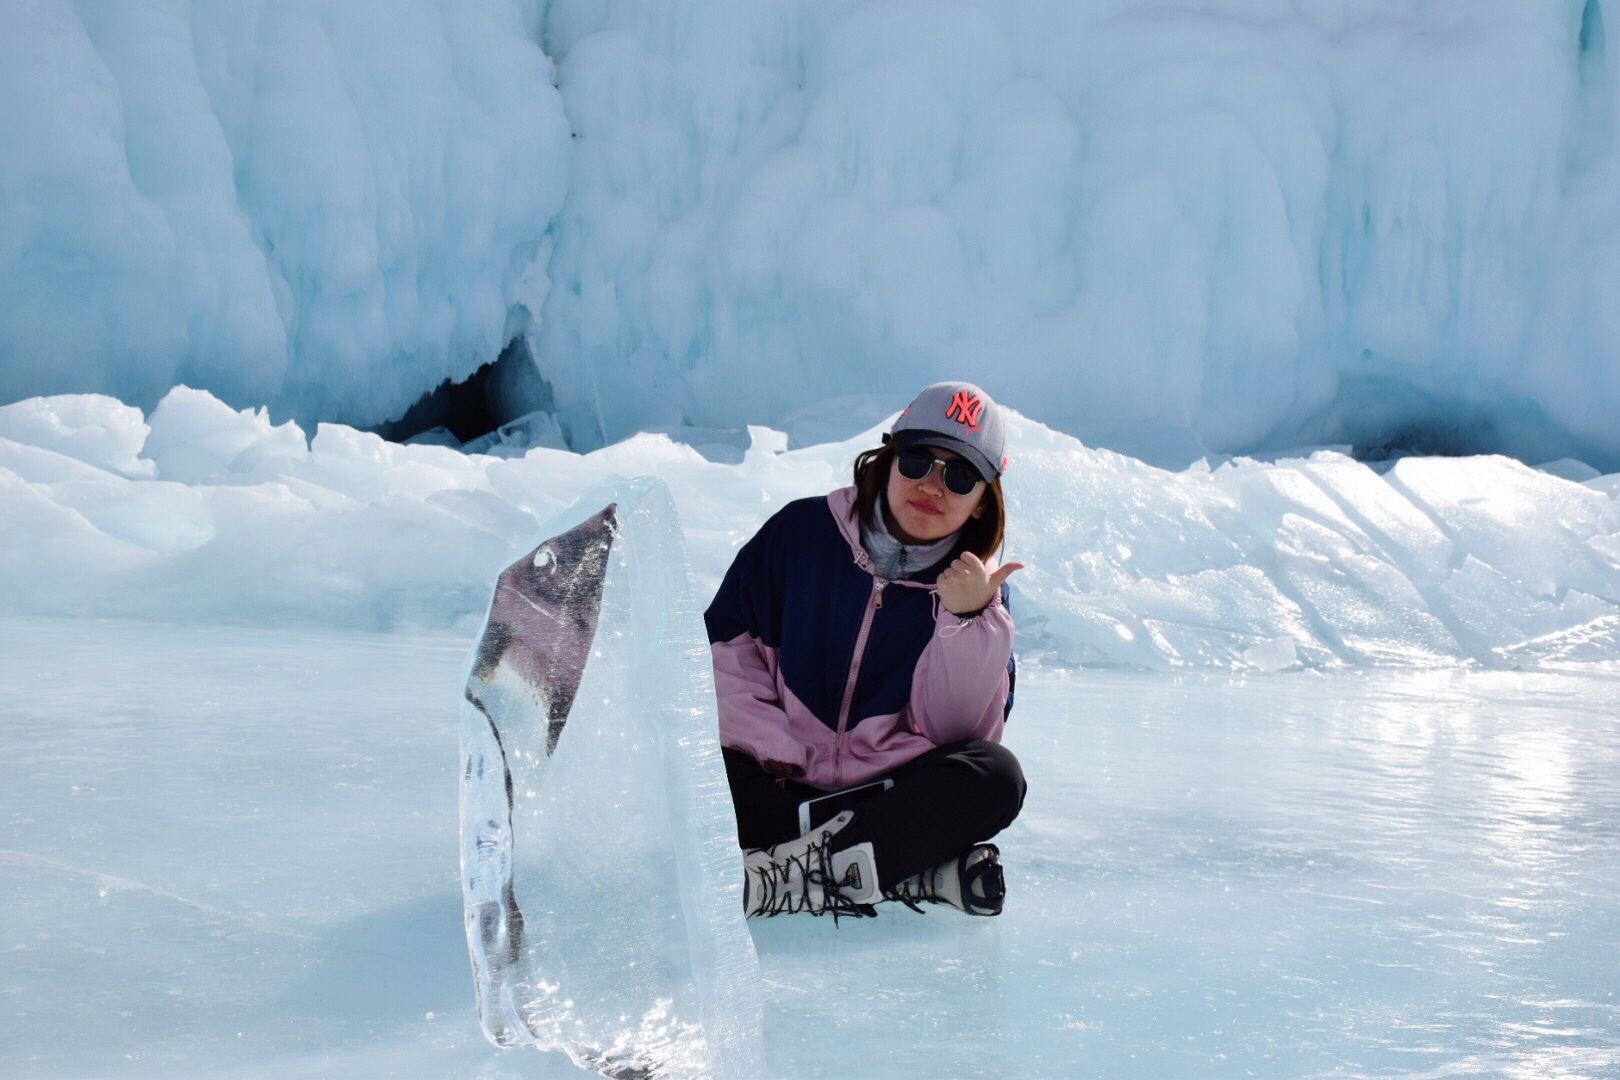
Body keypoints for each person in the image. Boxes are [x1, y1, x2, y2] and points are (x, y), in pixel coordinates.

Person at [704, 381, 1028, 920]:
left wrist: (966, 620)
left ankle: (789, 876)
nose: (932, 485)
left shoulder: (981, 597)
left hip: (888, 795)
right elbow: (726, 653)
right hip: (778, 782)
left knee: (995, 776)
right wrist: (782, 752)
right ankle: (903, 871)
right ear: (889, 457)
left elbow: (957, 735)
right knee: (690, 777)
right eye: (918, 459)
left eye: (960, 475)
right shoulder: (800, 534)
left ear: (980, 502)